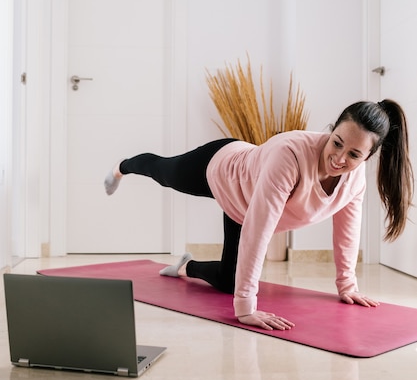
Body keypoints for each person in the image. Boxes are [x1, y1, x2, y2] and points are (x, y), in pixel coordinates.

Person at [104, 99, 414, 331]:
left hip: (246, 207)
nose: (339, 157)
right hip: (221, 168)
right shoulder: (290, 155)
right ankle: (123, 166)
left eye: (354, 155)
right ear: (331, 130)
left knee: (229, 280)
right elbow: (260, 227)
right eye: (337, 143)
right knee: (164, 171)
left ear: (369, 157)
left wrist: (347, 286)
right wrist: (246, 308)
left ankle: (187, 267)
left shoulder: (354, 181)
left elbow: (348, 230)